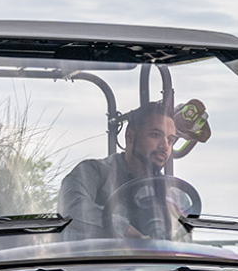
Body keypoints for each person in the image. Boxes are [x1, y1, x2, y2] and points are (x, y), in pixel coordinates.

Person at [58, 101, 184, 239]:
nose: (165, 146)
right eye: (155, 135)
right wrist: (126, 231)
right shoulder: (92, 171)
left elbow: (181, 235)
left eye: (170, 140)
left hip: (150, 260)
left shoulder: (171, 192)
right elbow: (71, 207)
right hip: (91, 259)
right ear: (130, 136)